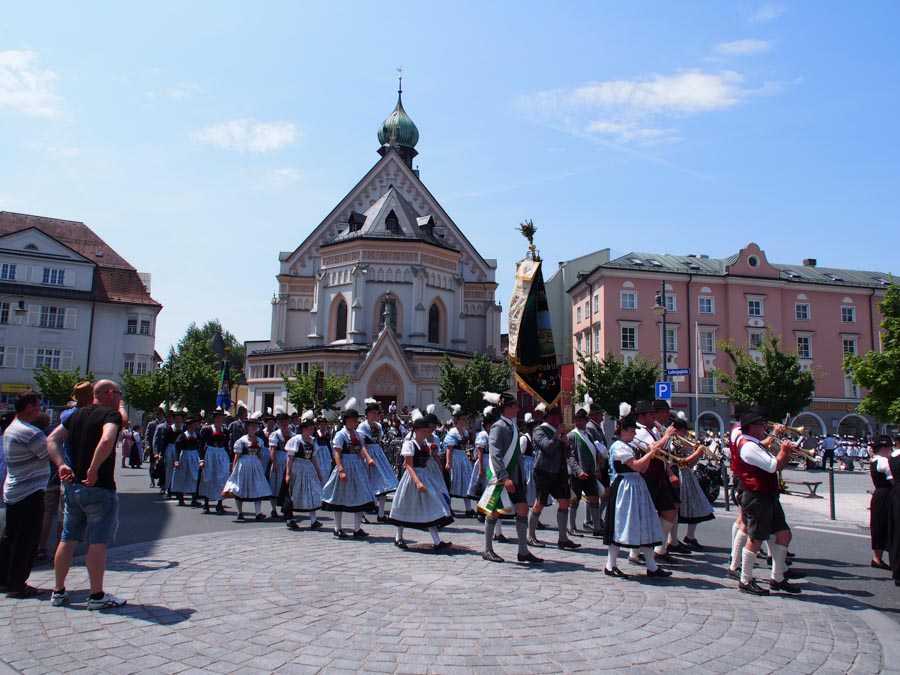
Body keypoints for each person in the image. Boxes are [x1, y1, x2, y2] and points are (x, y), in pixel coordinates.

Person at [46, 380, 126, 609]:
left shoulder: (75, 415)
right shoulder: (110, 416)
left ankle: (58, 591)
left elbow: (51, 439)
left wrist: (61, 464)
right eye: (118, 393)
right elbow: (108, 439)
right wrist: (93, 469)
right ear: (109, 394)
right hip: (98, 486)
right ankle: (97, 595)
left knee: (67, 538)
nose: (120, 398)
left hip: (73, 487)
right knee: (98, 541)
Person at [733, 408, 798, 596]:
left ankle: (777, 577)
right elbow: (772, 466)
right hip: (756, 495)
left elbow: (776, 465)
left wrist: (786, 453)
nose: (764, 427)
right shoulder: (748, 446)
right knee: (756, 538)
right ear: (751, 427)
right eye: (761, 424)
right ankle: (745, 579)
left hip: (767, 494)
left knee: (784, 534)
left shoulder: (756, 443)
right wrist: (785, 450)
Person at [603, 403, 670, 579]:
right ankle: (610, 565)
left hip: (636, 487)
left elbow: (644, 468)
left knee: (644, 524)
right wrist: (652, 452)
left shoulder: (629, 445)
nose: (634, 434)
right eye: (631, 431)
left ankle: (652, 566)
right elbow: (637, 466)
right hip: (625, 488)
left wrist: (650, 454)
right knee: (620, 525)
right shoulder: (619, 447)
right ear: (623, 431)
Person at [478, 391, 542, 565]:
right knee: (493, 511)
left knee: (522, 509)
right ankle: (488, 549)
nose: (518, 408)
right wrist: (504, 477)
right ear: (507, 408)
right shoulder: (498, 426)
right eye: (514, 406)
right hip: (503, 477)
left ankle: (523, 551)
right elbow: (495, 455)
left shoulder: (512, 426)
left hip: (516, 476)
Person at [0, 393, 50, 598]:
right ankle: (18, 584)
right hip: (29, 492)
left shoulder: (11, 427)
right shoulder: (30, 432)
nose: (40, 410)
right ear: (28, 407)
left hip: (15, 490)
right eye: (38, 406)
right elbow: (49, 453)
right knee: (26, 540)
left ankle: (5, 579)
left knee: (11, 538)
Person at [388, 410, 453, 550]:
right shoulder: (410, 444)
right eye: (424, 431)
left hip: (424, 476)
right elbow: (409, 466)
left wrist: (435, 456)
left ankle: (437, 541)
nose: (427, 433)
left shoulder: (425, 445)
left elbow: (428, 460)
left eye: (427, 431)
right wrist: (417, 482)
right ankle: (398, 537)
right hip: (412, 479)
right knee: (404, 506)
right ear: (417, 430)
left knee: (430, 506)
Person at [321, 399, 377, 538]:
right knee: (339, 497)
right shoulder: (341, 434)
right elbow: (337, 453)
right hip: (345, 464)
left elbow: (361, 448)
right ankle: (337, 528)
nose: (354, 422)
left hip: (357, 466)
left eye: (355, 420)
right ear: (346, 421)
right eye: (352, 420)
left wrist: (368, 458)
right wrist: (340, 469)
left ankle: (357, 528)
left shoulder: (357, 434)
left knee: (361, 496)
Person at [528, 405, 580, 550]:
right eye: (555, 416)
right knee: (540, 502)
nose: (558, 418)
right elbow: (548, 447)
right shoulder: (539, 430)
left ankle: (562, 538)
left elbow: (568, 452)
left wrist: (566, 442)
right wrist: (557, 435)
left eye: (559, 416)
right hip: (543, 471)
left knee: (564, 502)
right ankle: (531, 536)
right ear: (548, 417)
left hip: (560, 471)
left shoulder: (559, 432)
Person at [633, 401, 678, 565]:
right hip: (647, 477)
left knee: (670, 511)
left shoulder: (652, 430)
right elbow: (653, 449)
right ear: (642, 416)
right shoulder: (638, 431)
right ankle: (635, 553)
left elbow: (664, 453)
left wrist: (670, 471)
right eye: (651, 416)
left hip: (659, 475)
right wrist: (666, 436)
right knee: (644, 516)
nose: (654, 418)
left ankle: (658, 548)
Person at [671, 415, 715, 549]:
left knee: (696, 504)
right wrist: (697, 453)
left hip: (688, 475)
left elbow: (690, 464)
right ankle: (672, 540)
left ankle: (690, 536)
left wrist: (698, 453)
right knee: (676, 510)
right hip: (678, 474)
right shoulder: (673, 442)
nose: (686, 433)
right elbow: (680, 462)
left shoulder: (684, 441)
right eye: (684, 430)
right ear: (677, 430)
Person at [222, 417, 272, 521]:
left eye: (255, 426)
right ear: (247, 427)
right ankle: (239, 512)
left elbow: (260, 454)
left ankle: (258, 513)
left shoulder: (259, 440)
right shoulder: (241, 441)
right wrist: (234, 469)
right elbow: (237, 455)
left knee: (258, 486)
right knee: (240, 487)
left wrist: (260, 466)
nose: (253, 428)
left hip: (255, 464)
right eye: (251, 426)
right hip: (243, 464)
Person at [357, 399, 398, 522]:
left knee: (384, 484)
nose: (375, 415)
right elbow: (361, 445)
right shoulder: (362, 426)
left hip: (378, 455)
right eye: (373, 413)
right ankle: (362, 514)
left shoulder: (379, 426)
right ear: (367, 414)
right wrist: (368, 458)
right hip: (367, 455)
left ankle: (381, 514)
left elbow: (378, 442)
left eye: (377, 413)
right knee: (367, 485)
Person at [567, 402, 603, 538]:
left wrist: (597, 468)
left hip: (591, 472)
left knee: (594, 498)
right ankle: (572, 527)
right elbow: (570, 456)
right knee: (574, 500)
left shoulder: (588, 435)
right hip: (578, 474)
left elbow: (595, 452)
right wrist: (578, 471)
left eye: (582, 420)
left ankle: (597, 527)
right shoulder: (572, 436)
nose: (579, 422)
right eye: (577, 420)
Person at [284, 411, 324, 530]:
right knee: (293, 494)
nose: (311, 431)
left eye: (312, 428)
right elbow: (290, 458)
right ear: (303, 429)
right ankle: (290, 519)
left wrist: (319, 472)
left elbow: (314, 458)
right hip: (297, 468)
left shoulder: (312, 441)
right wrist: (287, 473)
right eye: (309, 428)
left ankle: (313, 520)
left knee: (311, 492)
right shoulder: (296, 440)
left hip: (308, 468)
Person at [443, 404, 475, 516]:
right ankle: (448, 508)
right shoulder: (452, 432)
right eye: (462, 419)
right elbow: (449, 449)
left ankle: (469, 508)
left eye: (464, 419)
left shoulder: (464, 432)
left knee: (466, 481)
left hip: (463, 457)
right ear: (456, 420)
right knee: (453, 482)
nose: (464, 421)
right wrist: (448, 462)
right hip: (455, 458)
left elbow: (467, 446)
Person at [199, 409, 230, 514]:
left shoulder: (225, 430)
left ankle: (219, 503)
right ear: (214, 418)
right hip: (210, 453)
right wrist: (202, 459)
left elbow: (227, 445)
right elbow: (201, 445)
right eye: (217, 417)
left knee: (222, 478)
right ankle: (206, 503)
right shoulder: (207, 429)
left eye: (221, 417)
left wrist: (229, 460)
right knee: (208, 477)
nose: (219, 419)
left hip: (222, 453)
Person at [869, 436, 893, 570]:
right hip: (886, 494)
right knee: (886, 525)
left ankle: (876, 557)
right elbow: (892, 480)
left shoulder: (874, 460)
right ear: (884, 448)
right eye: (889, 447)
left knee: (877, 525)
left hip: (878, 493)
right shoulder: (884, 460)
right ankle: (878, 558)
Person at [172, 415, 203, 507]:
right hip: (184, 456)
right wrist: (176, 460)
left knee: (194, 477)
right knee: (181, 477)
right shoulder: (182, 435)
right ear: (189, 426)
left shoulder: (197, 435)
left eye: (194, 424)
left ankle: (194, 499)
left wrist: (201, 459)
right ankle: (180, 498)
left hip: (194, 456)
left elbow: (200, 447)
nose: (194, 426)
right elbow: (177, 448)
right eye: (193, 425)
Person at [267, 412, 291, 519]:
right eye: (281, 422)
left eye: (285, 421)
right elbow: (272, 450)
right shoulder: (275, 434)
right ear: (278, 423)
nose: (284, 424)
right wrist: (274, 462)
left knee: (287, 486)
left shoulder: (292, 434)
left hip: (289, 460)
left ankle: (286, 507)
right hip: (279, 460)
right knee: (275, 485)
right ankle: (273, 509)